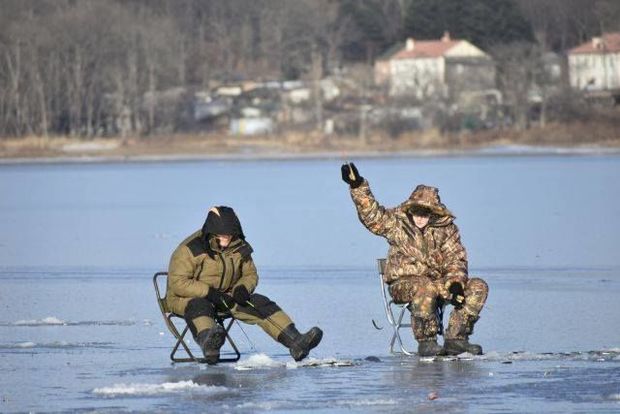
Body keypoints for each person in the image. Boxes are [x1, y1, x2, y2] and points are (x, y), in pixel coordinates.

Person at [340, 163, 488, 357]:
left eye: (424, 214)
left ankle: (456, 339)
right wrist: (357, 186)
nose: (419, 218)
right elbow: (372, 215)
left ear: (433, 213)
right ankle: (427, 342)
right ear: (410, 210)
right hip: (405, 284)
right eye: (416, 212)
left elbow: (456, 259)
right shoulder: (396, 223)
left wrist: (455, 284)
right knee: (424, 286)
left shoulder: (447, 229)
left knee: (478, 286)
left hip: (439, 283)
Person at [166, 206, 323, 364]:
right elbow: (178, 282)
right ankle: (209, 342)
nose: (227, 238)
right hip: (184, 298)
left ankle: (296, 342)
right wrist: (210, 293)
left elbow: (250, 274)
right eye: (222, 235)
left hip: (226, 297)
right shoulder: (190, 249)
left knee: (259, 303)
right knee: (199, 305)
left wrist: (242, 288)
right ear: (212, 232)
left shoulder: (239, 246)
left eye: (230, 234)